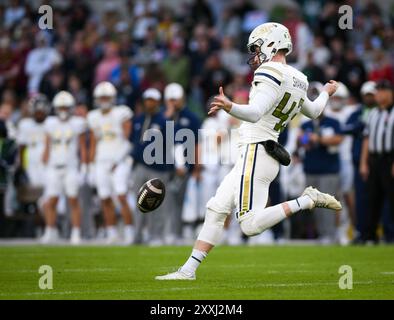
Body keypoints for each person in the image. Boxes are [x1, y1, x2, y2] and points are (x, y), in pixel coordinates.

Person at [156, 22, 341, 280]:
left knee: (250, 224)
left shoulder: (269, 72)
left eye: (256, 47)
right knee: (216, 208)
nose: (254, 54)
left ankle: (306, 200)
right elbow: (315, 111)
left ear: (272, 43)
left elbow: (254, 114)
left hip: (257, 151)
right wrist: (326, 92)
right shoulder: (299, 78)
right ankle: (188, 270)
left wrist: (230, 106)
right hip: (260, 153)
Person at [87, 81, 135, 244]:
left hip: (120, 159)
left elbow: (128, 139)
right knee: (104, 197)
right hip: (101, 160)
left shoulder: (121, 113)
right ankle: (111, 232)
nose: (104, 100)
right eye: (101, 97)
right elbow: (93, 142)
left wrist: (119, 158)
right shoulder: (93, 116)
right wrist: (90, 165)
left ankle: (129, 231)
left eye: (106, 97)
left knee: (121, 195)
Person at [41, 91, 87, 244]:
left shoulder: (77, 123)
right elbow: (47, 146)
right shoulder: (50, 123)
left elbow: (82, 147)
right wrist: (44, 162)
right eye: (60, 107)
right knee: (51, 200)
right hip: (54, 166)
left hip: (71, 166)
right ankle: (50, 230)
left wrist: (85, 166)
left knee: (73, 200)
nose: (63, 111)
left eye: (65, 107)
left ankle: (76, 232)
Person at [130, 88, 172, 245]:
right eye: (147, 99)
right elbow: (134, 142)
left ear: (158, 102)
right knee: (139, 201)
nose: (149, 103)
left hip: (158, 168)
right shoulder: (138, 119)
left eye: (152, 100)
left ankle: (156, 235)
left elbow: (171, 145)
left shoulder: (164, 121)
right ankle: (137, 235)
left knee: (157, 203)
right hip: (140, 166)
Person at [298, 111, 343, 243]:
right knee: (315, 206)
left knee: (328, 204)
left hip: (329, 170)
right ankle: (322, 234)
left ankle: (331, 234)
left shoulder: (332, 122)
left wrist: (319, 139)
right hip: (311, 169)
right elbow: (300, 141)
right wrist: (306, 138)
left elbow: (339, 139)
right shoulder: (306, 124)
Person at [359, 80, 394, 243]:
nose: (379, 95)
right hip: (374, 160)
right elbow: (366, 140)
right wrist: (363, 163)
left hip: (389, 159)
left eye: (382, 91)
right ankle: (370, 236)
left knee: (391, 198)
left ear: (390, 93)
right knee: (372, 200)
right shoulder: (372, 113)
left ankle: (391, 235)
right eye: (377, 91)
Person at [343, 81, 377, 242]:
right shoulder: (358, 113)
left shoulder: (381, 112)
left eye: (372, 95)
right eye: (367, 95)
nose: (369, 98)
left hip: (378, 159)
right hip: (359, 161)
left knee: (379, 199)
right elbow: (345, 128)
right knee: (361, 199)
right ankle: (362, 232)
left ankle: (382, 233)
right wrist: (360, 125)